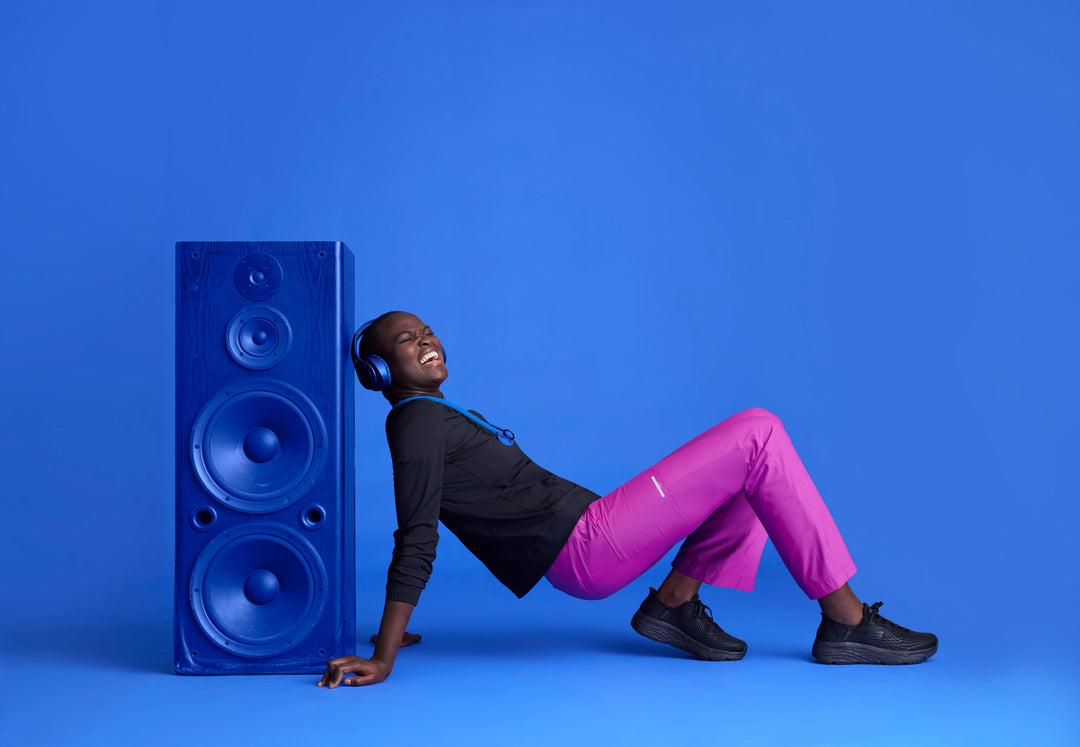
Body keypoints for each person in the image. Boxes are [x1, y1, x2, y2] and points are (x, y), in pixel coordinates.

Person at [317, 311, 937, 689]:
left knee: (756, 472)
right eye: (406, 339)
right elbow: (417, 531)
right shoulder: (415, 423)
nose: (426, 339)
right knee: (759, 431)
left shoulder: (431, 416)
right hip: (589, 547)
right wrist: (384, 654)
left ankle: (674, 605)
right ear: (378, 371)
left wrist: (396, 633)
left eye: (427, 330)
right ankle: (846, 621)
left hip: (595, 534)